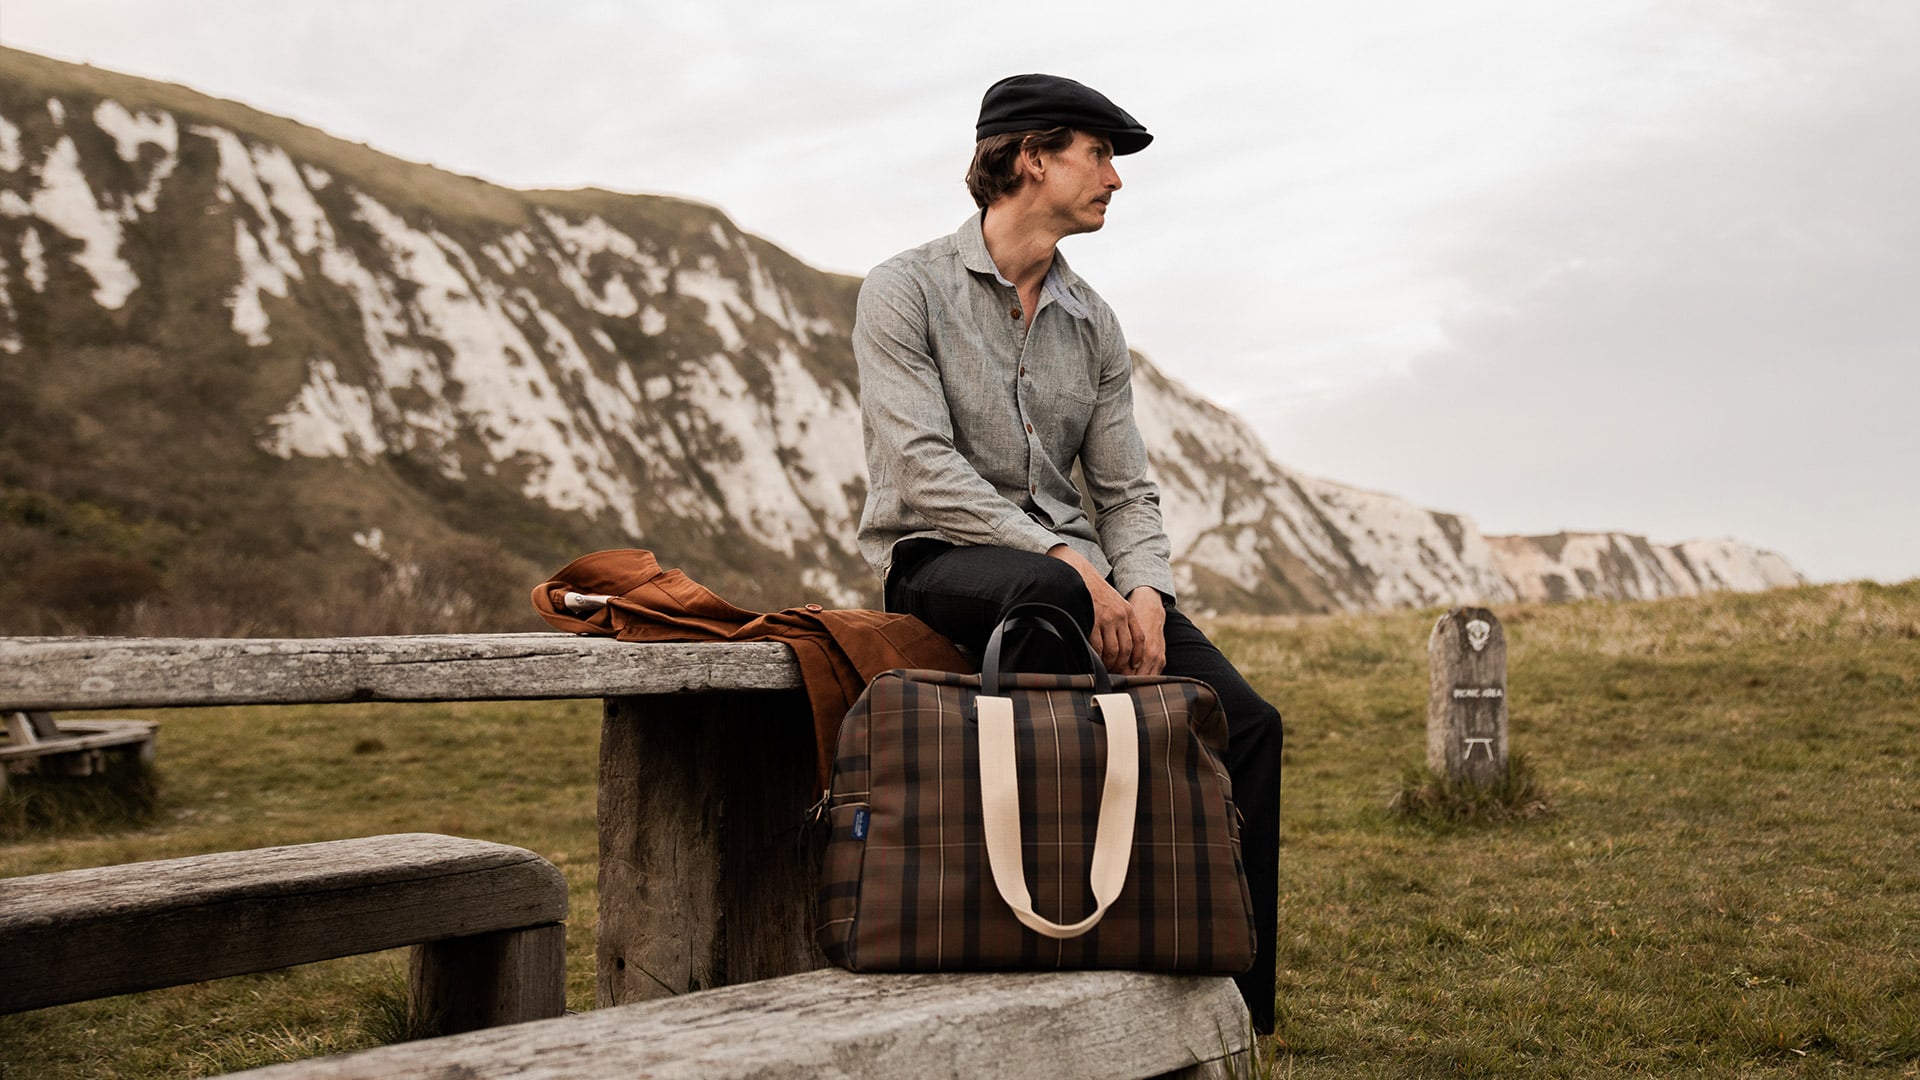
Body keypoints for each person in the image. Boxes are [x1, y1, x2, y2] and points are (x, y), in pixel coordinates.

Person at [852, 72, 1283, 1032]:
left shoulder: (1095, 322)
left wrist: (1148, 593)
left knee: (1246, 721)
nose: (1115, 180)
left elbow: (1125, 492)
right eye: (1098, 156)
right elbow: (922, 467)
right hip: (941, 559)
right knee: (1046, 593)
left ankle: (1238, 1013)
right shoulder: (904, 289)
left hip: (1084, 580)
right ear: (1031, 158)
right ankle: (1051, 946)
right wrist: (1072, 565)